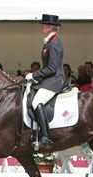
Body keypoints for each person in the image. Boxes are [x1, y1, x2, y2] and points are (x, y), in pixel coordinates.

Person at [25, 14, 65, 149]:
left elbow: (52, 68)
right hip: (49, 79)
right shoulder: (50, 41)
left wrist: (34, 74)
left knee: (37, 102)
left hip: (54, 80)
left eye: (43, 26)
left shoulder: (54, 43)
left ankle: (46, 136)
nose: (41, 28)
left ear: (49, 27)